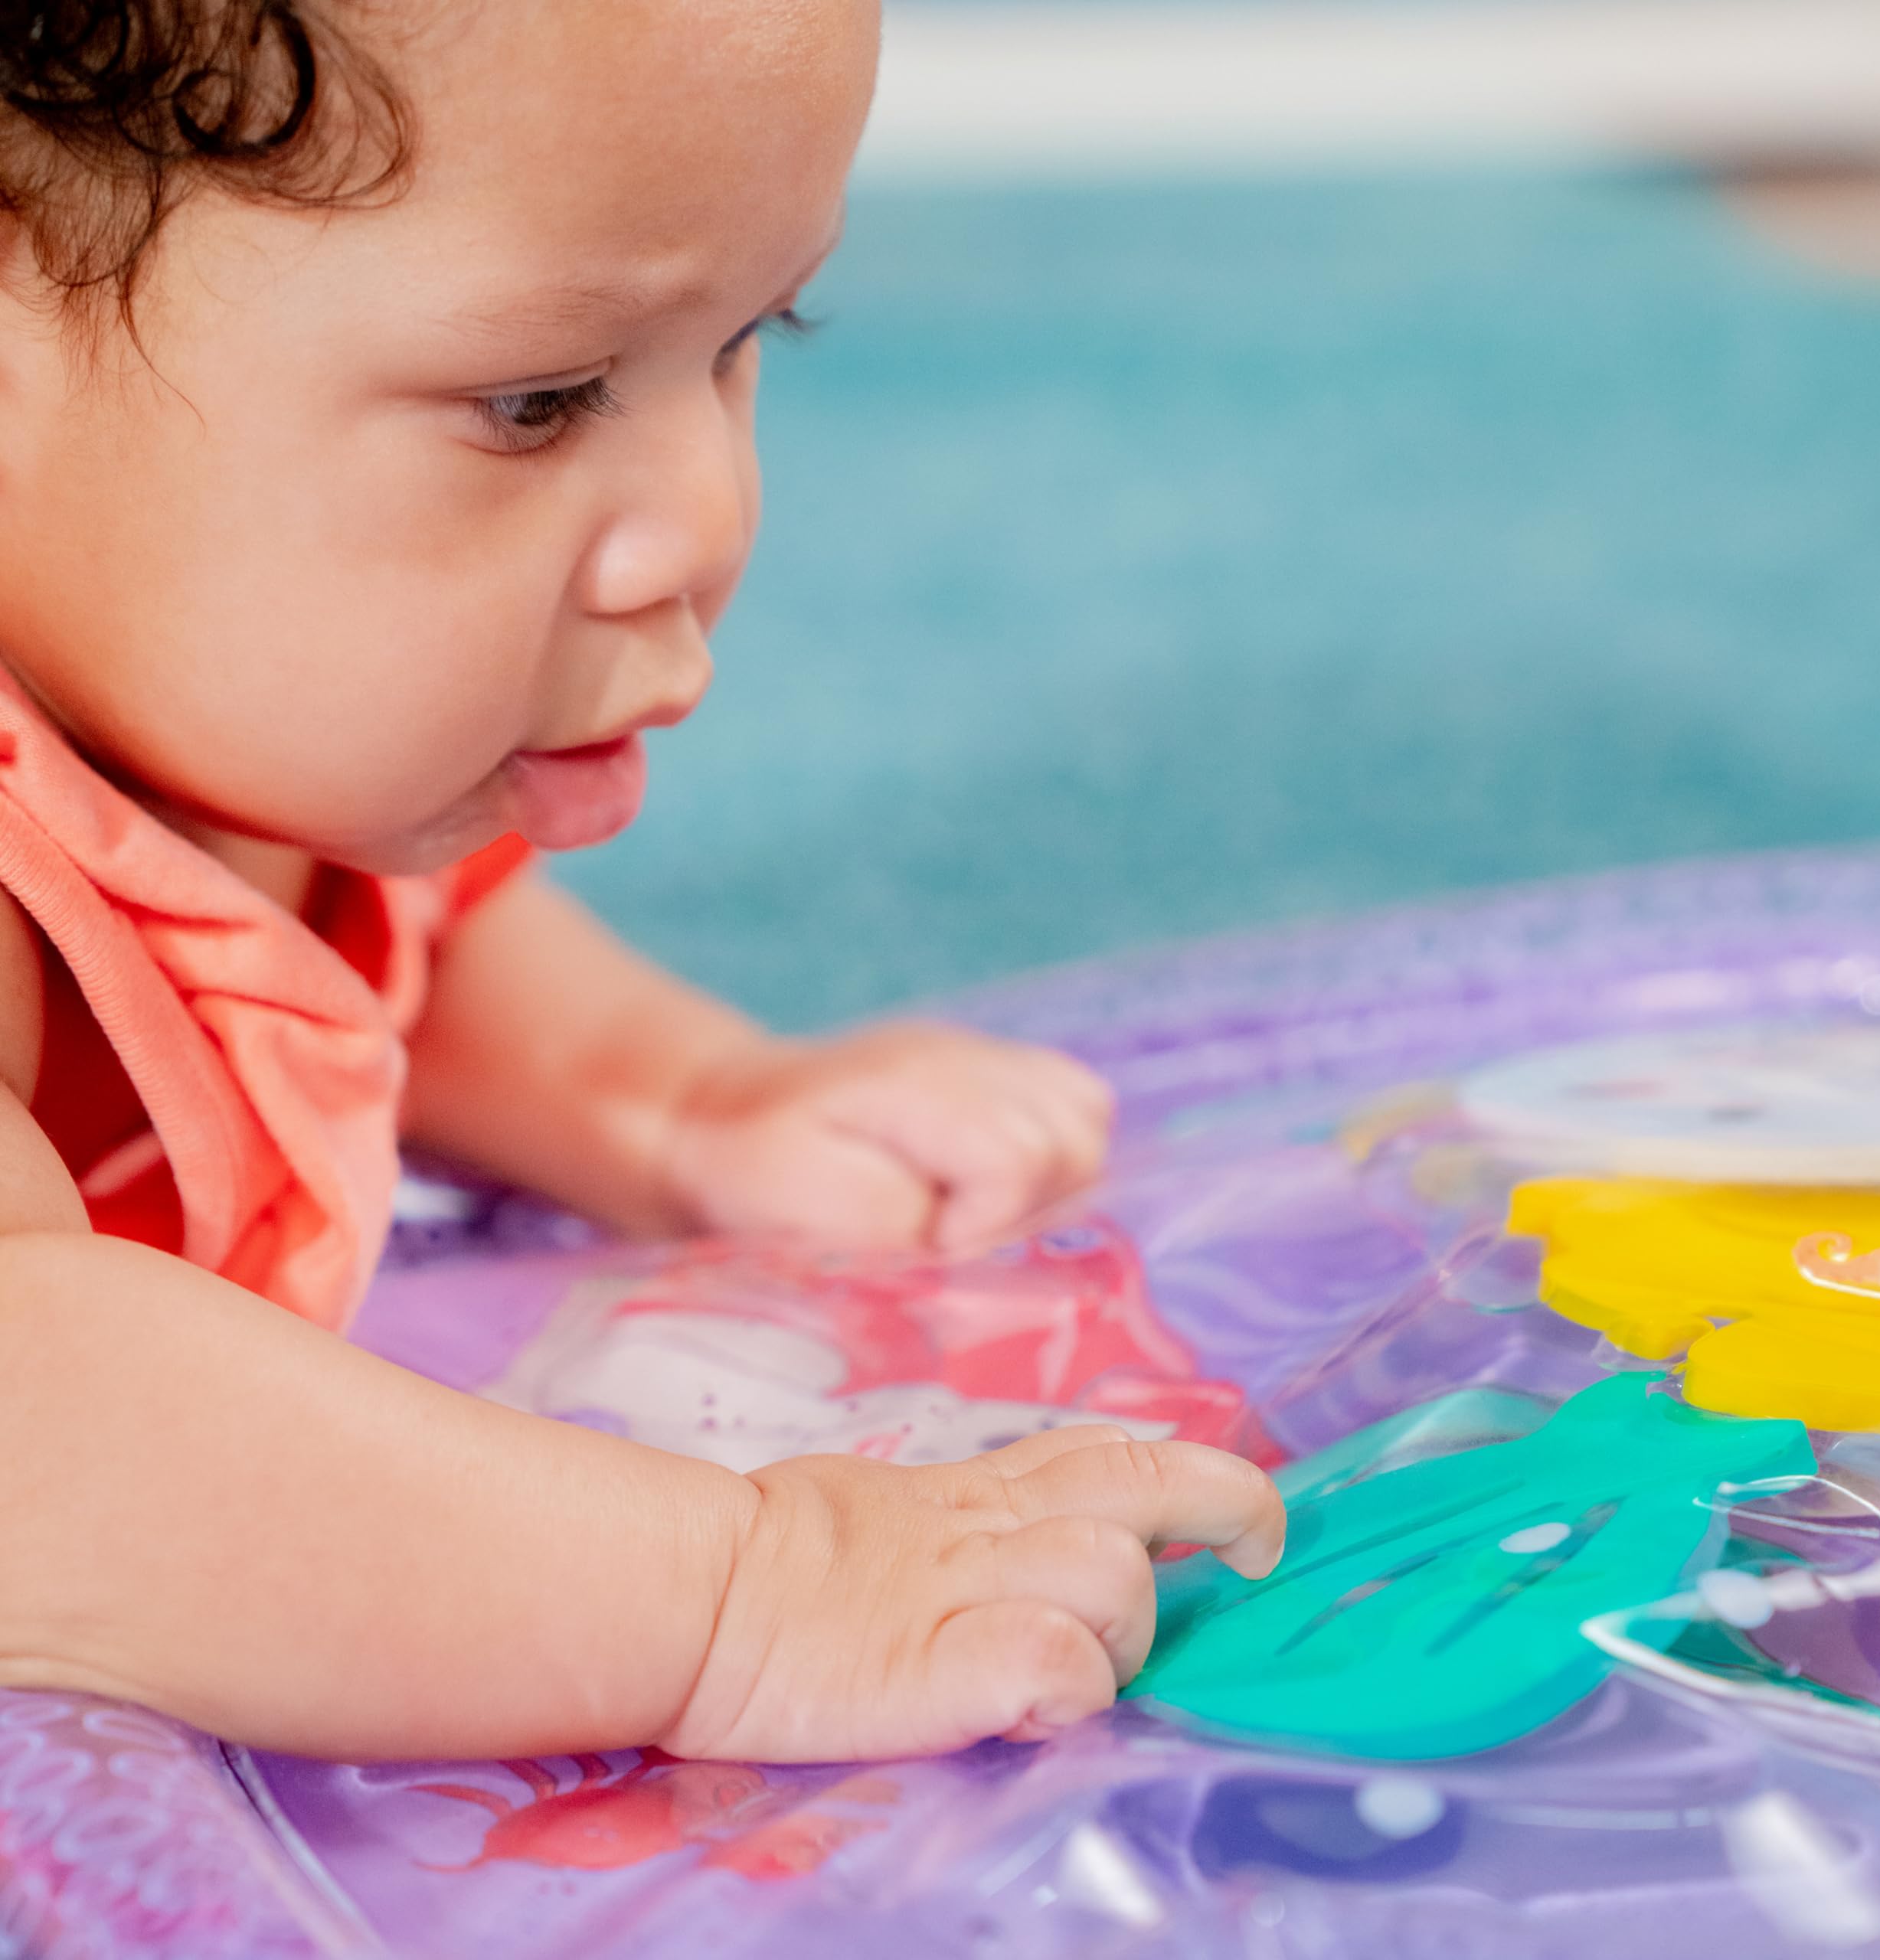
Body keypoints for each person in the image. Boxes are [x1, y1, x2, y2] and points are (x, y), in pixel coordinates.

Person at [0, 0, 1283, 1766]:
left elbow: (385, 937)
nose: (707, 518)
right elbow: (39, 1420)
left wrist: (672, 1095)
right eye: (537, 400)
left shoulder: (210, 707)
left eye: (753, 334)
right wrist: (742, 1592)